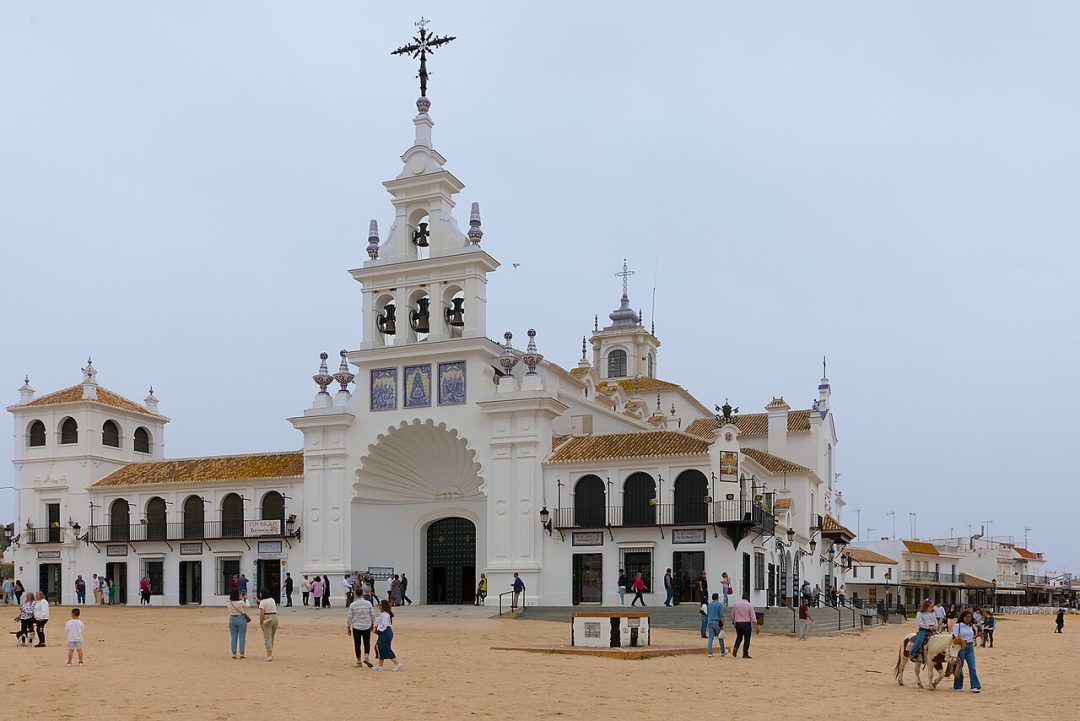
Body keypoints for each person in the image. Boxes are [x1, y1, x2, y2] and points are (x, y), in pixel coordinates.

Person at [952, 609, 982, 692]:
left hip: (970, 647)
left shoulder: (971, 626)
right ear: (963, 617)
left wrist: (976, 636)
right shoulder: (958, 625)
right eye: (967, 617)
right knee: (959, 667)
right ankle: (958, 686)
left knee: (972, 667)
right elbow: (954, 637)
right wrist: (961, 640)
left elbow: (971, 636)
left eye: (970, 617)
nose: (969, 619)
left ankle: (974, 686)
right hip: (960, 647)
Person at [346, 589, 376, 668]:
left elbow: (350, 616)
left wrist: (348, 626)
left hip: (356, 626)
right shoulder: (368, 603)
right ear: (362, 594)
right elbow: (372, 614)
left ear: (356, 594)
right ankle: (366, 656)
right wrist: (372, 623)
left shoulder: (353, 605)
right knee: (367, 642)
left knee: (357, 644)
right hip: (366, 625)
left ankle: (359, 661)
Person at [373, 599, 402, 671]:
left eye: (380, 605)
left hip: (385, 632)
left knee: (385, 648)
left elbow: (384, 625)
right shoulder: (383, 614)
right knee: (380, 647)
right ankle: (380, 666)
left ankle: (397, 664)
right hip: (384, 632)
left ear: (383, 606)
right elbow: (378, 622)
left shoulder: (386, 615)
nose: (378, 606)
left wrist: (377, 630)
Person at [730, 592, 759, 658]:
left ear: (742, 597)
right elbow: (753, 617)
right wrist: (756, 626)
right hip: (746, 623)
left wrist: (733, 622)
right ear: (748, 598)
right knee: (747, 639)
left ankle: (736, 647)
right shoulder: (749, 605)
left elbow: (732, 615)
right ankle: (745, 653)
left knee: (739, 637)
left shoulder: (736, 604)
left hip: (738, 623)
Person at [257, 588, 279, 662]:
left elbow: (262, 613)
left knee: (267, 637)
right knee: (272, 637)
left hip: (267, 618)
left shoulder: (262, 602)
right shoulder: (272, 599)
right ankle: (270, 653)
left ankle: (269, 655)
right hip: (275, 617)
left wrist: (261, 621)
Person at [226, 589, 248, 659]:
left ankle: (234, 653)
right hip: (240, 618)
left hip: (232, 619)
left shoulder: (229, 603)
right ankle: (242, 653)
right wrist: (245, 599)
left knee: (233, 637)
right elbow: (247, 606)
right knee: (242, 637)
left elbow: (234, 603)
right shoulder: (240, 602)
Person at [705, 592, 727, 657]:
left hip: (710, 622)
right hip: (717, 622)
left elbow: (708, 613)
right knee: (720, 637)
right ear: (718, 598)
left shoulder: (709, 605)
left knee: (710, 638)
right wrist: (723, 624)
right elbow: (721, 616)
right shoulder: (719, 605)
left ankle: (710, 653)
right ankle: (723, 651)